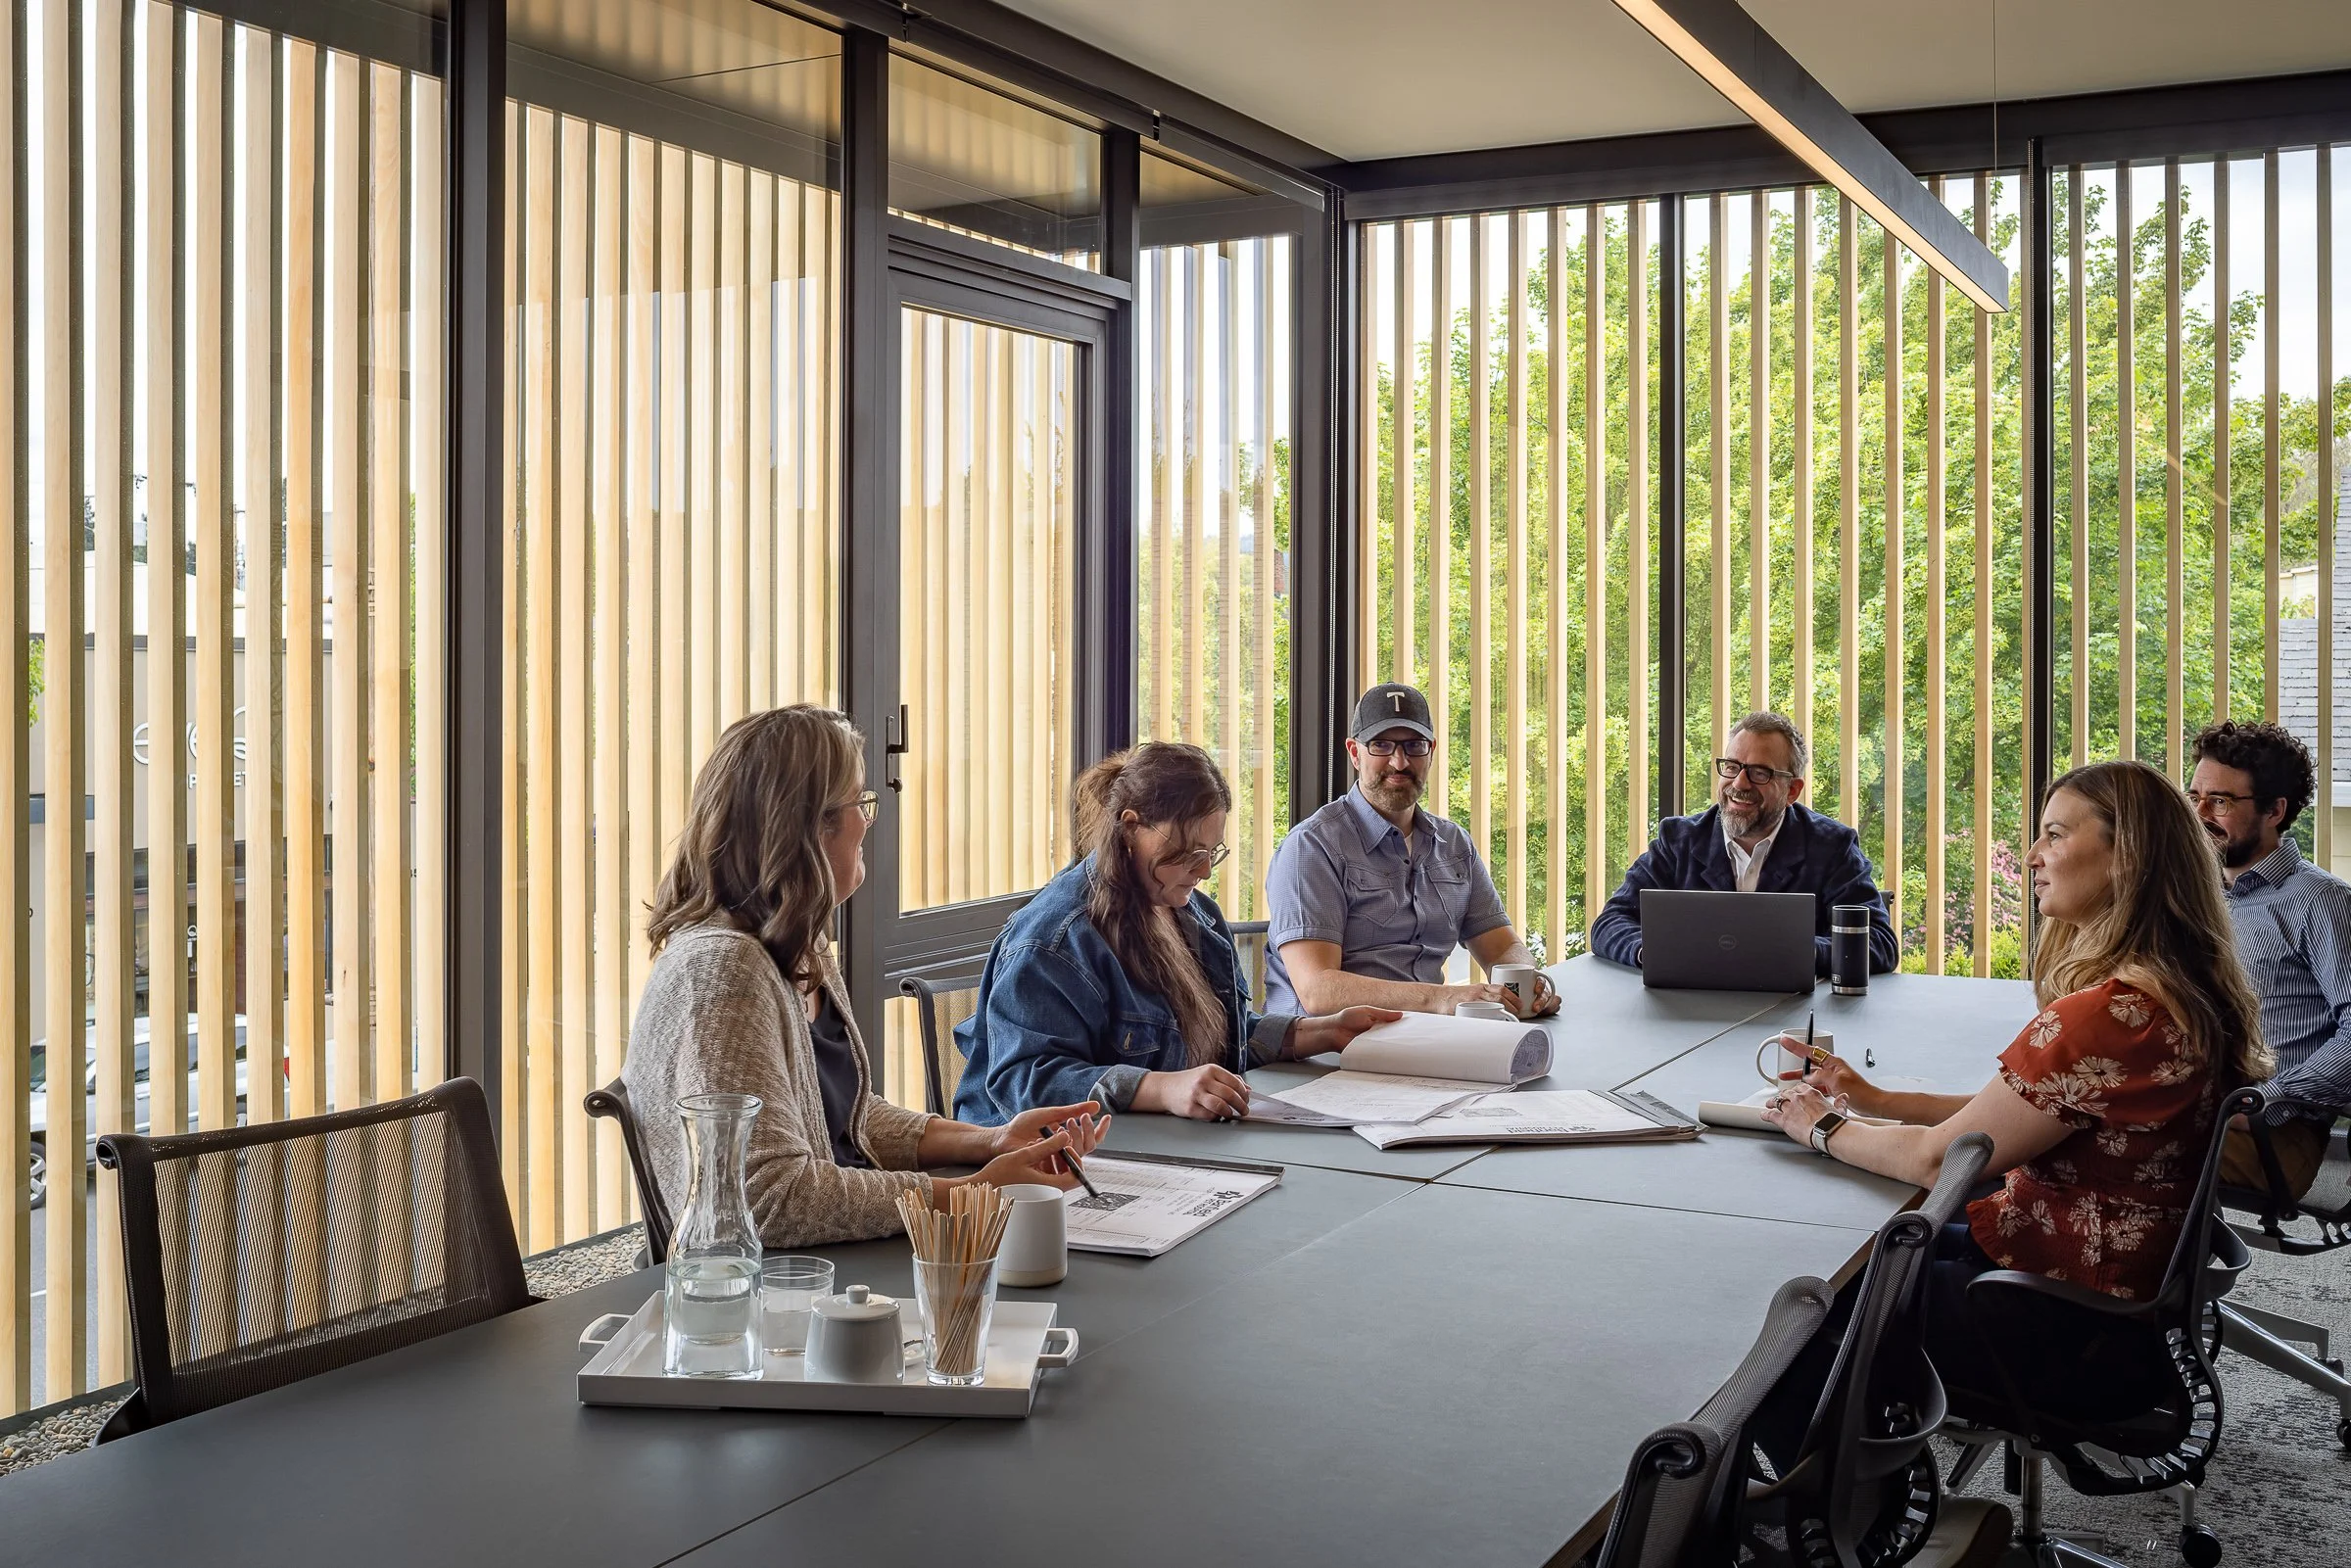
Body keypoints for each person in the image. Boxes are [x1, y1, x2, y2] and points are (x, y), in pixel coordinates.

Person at [1760, 760, 2268, 1402]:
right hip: (2095, 1286)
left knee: (1795, 1302)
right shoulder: (2170, 993)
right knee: (1855, 1247)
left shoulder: (2106, 1017)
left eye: (2055, 835)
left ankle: (1820, 1496)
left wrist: (1820, 1123)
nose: (2032, 855)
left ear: (2126, 857)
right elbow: (2011, 1115)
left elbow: (1939, 1160)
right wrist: (1875, 1099)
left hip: (2062, 1320)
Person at [622, 705, 1106, 1250]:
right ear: (806, 828)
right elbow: (764, 1200)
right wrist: (969, 1192)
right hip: (771, 1291)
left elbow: (847, 1119)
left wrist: (990, 1141)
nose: (870, 819)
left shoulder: (798, 947)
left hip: (832, 1256)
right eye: (860, 802)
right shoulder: (722, 972)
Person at [954, 742, 1400, 1124]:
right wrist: (1161, 1089)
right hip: (1044, 1168)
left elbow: (1221, 1033)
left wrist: (1321, 1032)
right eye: (1187, 852)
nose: (1204, 871)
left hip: (1163, 1147)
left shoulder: (1194, 915)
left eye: (1212, 851)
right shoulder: (1056, 938)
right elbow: (1024, 1082)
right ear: (1130, 828)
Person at [1261, 683, 1561, 1019]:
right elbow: (1318, 990)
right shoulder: (1311, 847)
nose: (1399, 761)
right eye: (1381, 745)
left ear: (1431, 751)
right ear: (1354, 753)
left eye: (1414, 745)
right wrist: (1444, 998)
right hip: (1326, 1052)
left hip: (1423, 1040)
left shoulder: (1454, 845)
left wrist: (1528, 986)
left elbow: (1504, 947)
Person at [1588, 711, 1897, 977]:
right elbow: (1609, 924)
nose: (1739, 784)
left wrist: (1785, 952)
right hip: (1688, 1016)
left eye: (1759, 773)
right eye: (1732, 767)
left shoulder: (1831, 848)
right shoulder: (1678, 841)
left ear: (1792, 790)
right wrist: (1652, 953)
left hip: (1790, 1018)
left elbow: (1879, 943)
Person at [2188, 719, 2351, 1200]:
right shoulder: (2195, 898)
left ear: (2275, 811)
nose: (2199, 813)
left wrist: (2266, 1099)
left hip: (2271, 1131)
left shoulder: (2320, 901)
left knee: (2085, 1147)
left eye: (2220, 800)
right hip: (2190, 1111)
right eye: (2193, 796)